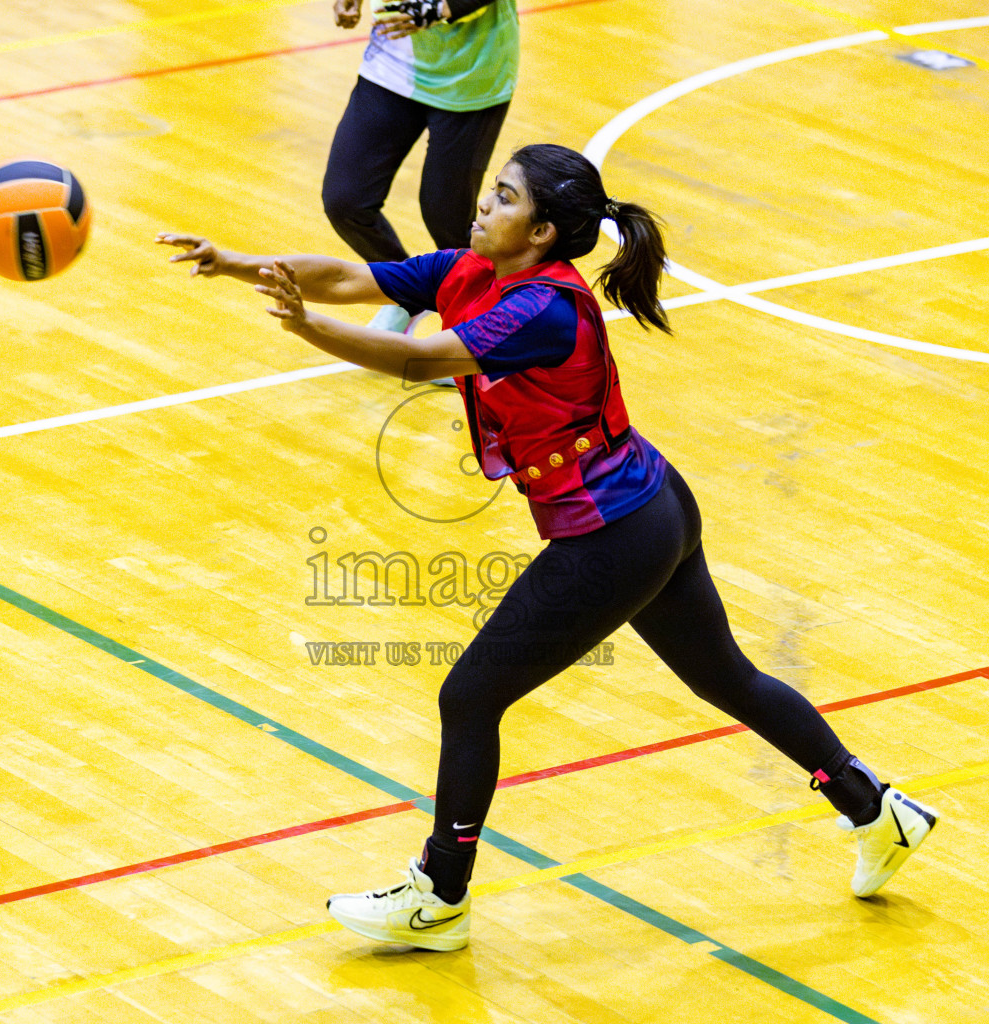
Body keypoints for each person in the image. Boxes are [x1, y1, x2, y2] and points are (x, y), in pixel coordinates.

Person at [156, 143, 939, 952]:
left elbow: (420, 357)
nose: (483, 206)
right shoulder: (470, 272)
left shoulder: (544, 311)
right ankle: (878, 809)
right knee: (728, 679)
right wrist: (238, 265)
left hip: (614, 534)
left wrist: (309, 329)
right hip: (653, 504)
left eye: (502, 198)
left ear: (541, 233)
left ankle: (439, 896)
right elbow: (357, 278)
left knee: (470, 698)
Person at [324, 0, 517, 333]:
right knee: (347, 201)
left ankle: (476, 333)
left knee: (447, 217)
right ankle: (407, 295)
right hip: (392, 66)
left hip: (471, 76)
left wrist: (436, 9)